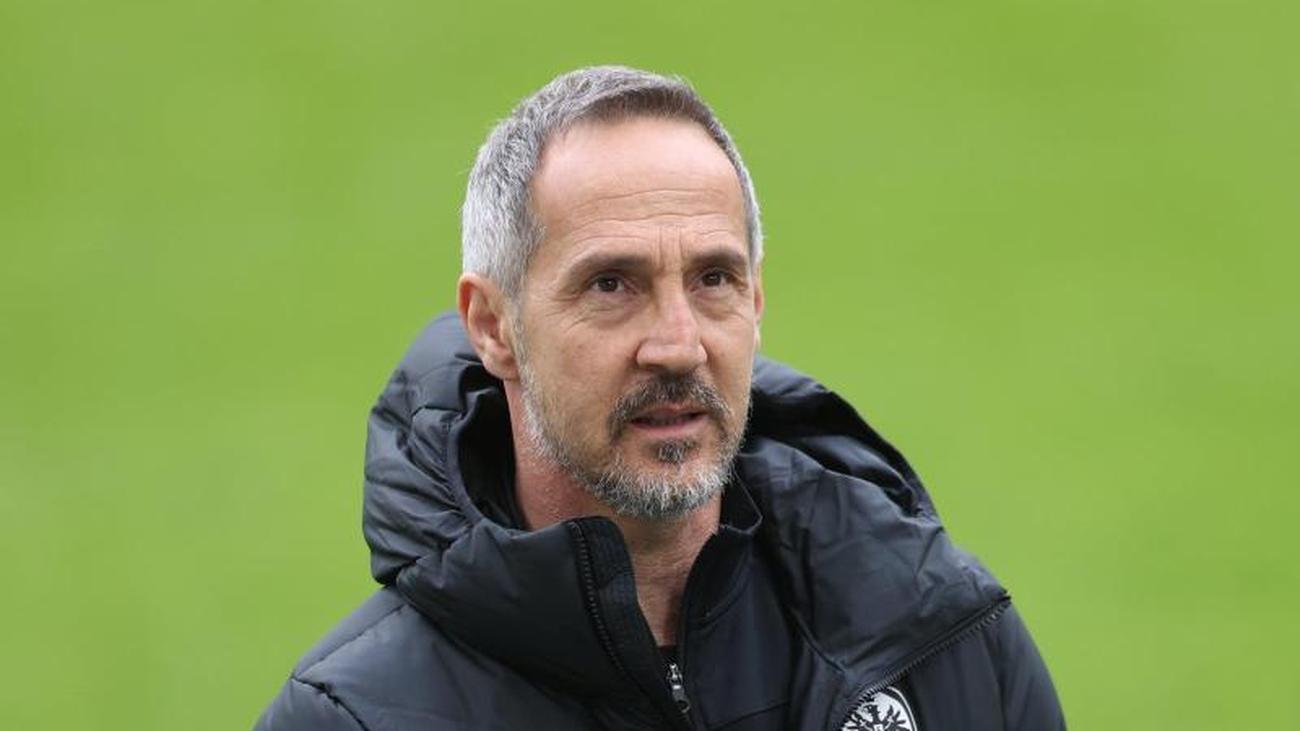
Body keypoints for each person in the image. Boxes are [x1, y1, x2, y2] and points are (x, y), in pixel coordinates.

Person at [254, 66, 1064, 730]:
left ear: (756, 301)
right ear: (495, 327)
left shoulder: (937, 634)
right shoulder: (355, 716)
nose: (678, 344)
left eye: (713, 278)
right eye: (612, 284)